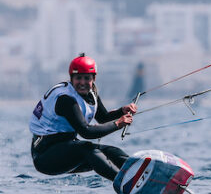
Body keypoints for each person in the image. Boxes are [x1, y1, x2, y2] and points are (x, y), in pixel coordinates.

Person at [29, 53, 137, 181]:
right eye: (78, 78)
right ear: (71, 78)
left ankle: (139, 173)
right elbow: (86, 132)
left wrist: (121, 111)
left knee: (111, 152)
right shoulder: (66, 99)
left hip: (66, 147)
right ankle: (125, 183)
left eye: (87, 78)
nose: (82, 82)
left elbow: (103, 117)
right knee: (89, 150)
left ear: (94, 78)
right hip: (44, 156)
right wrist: (118, 124)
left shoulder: (91, 93)